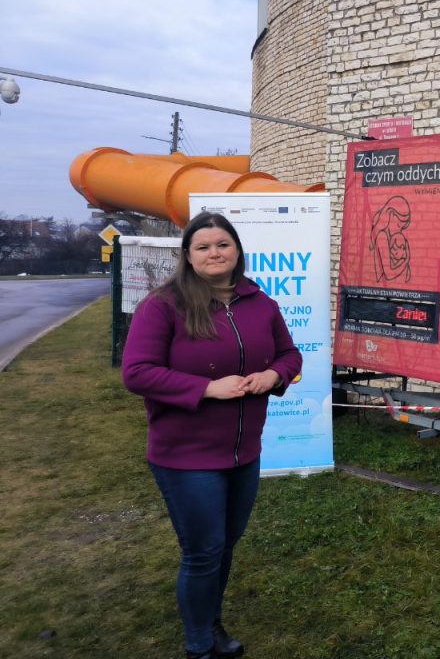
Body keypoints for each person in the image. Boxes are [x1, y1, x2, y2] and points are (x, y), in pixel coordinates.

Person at [122, 211, 302, 659]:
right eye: (202, 247)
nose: (214, 253)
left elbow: (290, 354)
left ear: (237, 250)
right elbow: (137, 372)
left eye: (223, 244)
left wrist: (273, 375)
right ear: (188, 255)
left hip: (244, 452)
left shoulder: (260, 303)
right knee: (203, 551)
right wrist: (206, 388)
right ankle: (200, 646)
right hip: (186, 456)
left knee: (224, 545)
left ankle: (210, 621)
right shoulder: (163, 306)